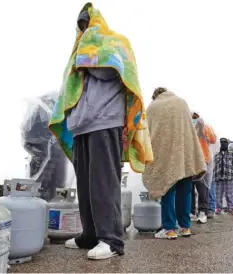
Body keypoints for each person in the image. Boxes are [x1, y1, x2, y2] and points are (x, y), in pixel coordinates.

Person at [48, 3, 153, 260]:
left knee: (103, 183)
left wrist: (86, 56)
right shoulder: (80, 49)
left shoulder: (115, 42)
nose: (83, 29)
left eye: (87, 23)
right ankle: (91, 234)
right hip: (82, 125)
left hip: (106, 121)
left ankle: (112, 240)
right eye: (81, 26)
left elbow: (111, 71)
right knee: (85, 184)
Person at [143, 87, 206, 239]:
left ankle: (169, 228)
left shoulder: (152, 107)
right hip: (184, 154)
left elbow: (148, 131)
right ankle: (185, 227)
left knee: (167, 189)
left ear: (155, 96)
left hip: (164, 155)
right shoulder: (181, 103)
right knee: (185, 191)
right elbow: (190, 130)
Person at [190, 112, 217, 223]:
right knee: (189, 189)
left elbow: (213, 139)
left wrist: (202, 129)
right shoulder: (186, 127)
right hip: (190, 162)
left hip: (202, 162)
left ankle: (202, 212)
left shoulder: (205, 127)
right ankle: (191, 212)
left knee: (202, 188)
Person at [213, 138, 233, 215]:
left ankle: (231, 208)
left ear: (227, 144)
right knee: (218, 194)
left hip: (229, 177)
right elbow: (213, 166)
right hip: (218, 177)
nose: (223, 144)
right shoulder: (216, 155)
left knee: (230, 194)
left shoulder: (232, 154)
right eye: (221, 143)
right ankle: (218, 208)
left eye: (225, 142)